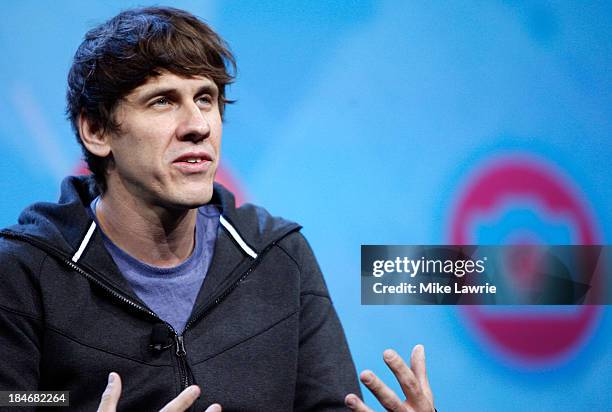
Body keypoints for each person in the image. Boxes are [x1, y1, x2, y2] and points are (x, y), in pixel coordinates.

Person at [0, 7, 435, 411]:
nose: (198, 126)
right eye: (163, 101)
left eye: (206, 99)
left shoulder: (278, 255)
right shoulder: (23, 272)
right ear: (97, 130)